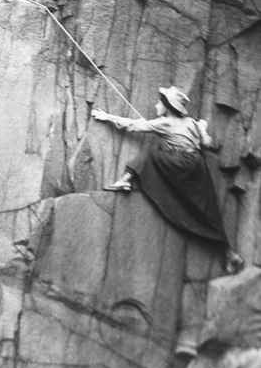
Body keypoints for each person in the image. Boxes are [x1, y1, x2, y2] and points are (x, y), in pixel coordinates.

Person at [91, 86, 245, 274]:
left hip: (180, 166)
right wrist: (202, 129)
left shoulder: (164, 123)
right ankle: (230, 253)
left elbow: (132, 125)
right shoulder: (191, 122)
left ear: (167, 107)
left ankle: (126, 179)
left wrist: (107, 117)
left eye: (159, 102)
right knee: (207, 211)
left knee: (153, 151)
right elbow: (207, 144)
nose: (157, 105)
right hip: (198, 168)